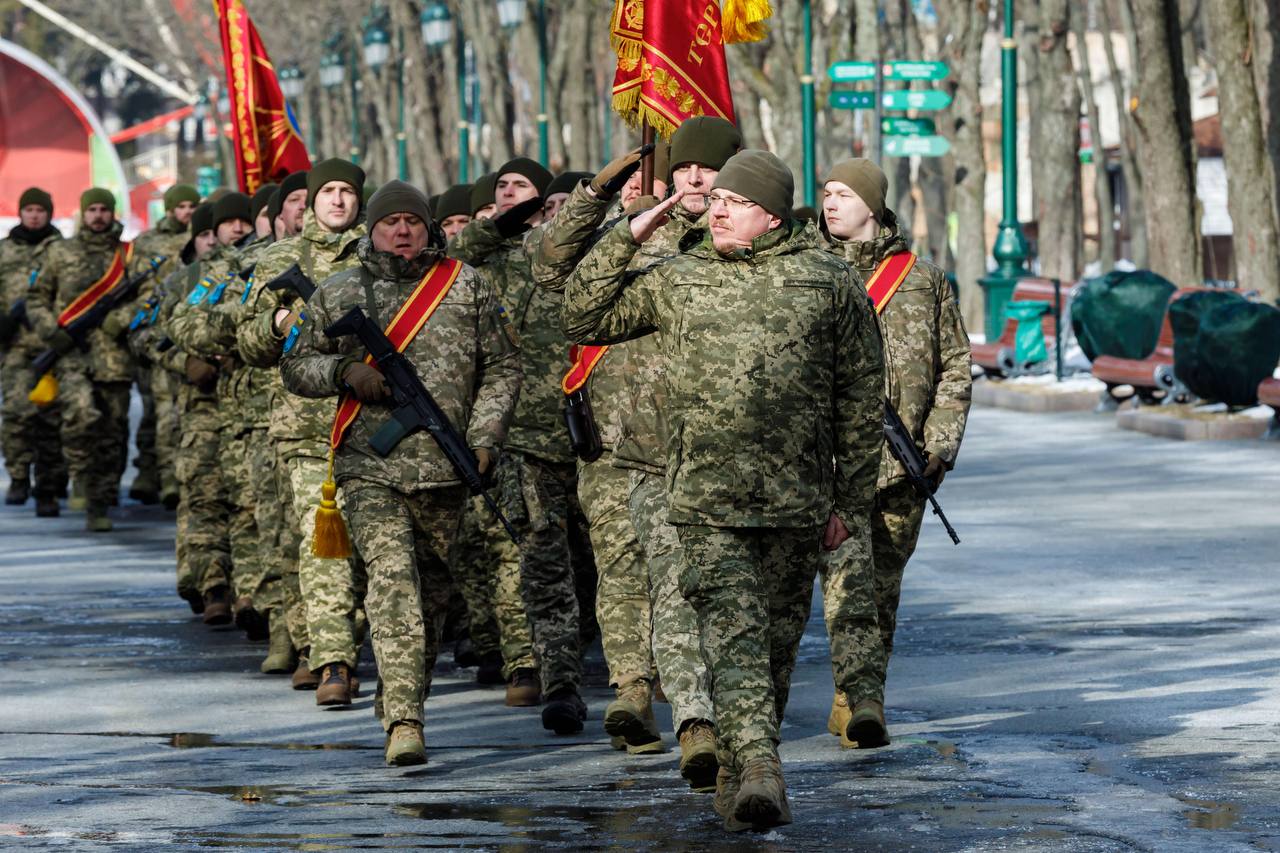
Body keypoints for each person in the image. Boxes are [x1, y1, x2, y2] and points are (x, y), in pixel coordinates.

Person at [563, 150, 884, 831]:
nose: (716, 210)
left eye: (732, 203)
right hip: (706, 503)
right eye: (716, 202)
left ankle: (742, 770)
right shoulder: (679, 279)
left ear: (769, 213)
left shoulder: (827, 280)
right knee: (733, 638)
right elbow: (580, 316)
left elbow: (861, 396)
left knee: (772, 648)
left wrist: (848, 503)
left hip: (796, 503)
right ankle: (764, 765)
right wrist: (632, 232)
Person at [532, 116, 743, 790]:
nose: (693, 177)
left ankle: (700, 706)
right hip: (613, 439)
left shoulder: (732, 245)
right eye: (684, 167)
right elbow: (552, 270)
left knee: (689, 582)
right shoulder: (636, 238)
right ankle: (632, 688)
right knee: (620, 567)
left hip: (697, 447)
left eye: (708, 168)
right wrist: (603, 199)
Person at [280, 180, 521, 766]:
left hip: (446, 471)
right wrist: (343, 372)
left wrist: (486, 436)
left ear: (429, 228)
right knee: (394, 587)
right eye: (392, 223)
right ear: (373, 229)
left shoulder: (466, 287)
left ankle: (399, 696)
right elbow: (295, 365)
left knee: (433, 600)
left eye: (414, 221)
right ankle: (407, 724)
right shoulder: (339, 292)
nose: (403, 231)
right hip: (370, 468)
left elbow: (503, 365)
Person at [819, 158, 971, 748]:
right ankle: (864, 699)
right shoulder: (808, 272)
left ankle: (853, 696)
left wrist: (940, 446)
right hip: (827, 465)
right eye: (826, 193)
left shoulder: (924, 282)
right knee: (843, 585)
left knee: (880, 588)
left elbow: (955, 367)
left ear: (874, 206)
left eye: (843, 194)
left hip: (901, 465)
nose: (831, 203)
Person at [450, 157, 597, 734]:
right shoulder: (494, 265)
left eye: (525, 188)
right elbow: (449, 258)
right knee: (542, 565)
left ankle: (629, 667)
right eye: (502, 187)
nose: (511, 193)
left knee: (603, 568)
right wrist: (499, 224)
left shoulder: (590, 262)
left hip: (596, 438)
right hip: (526, 441)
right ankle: (558, 682)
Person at [240, 159, 371, 693]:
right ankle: (332, 658)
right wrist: (276, 324)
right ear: (312, 200)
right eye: (328, 192)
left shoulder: (383, 254)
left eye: (347, 192)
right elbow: (247, 344)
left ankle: (342, 636)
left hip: (377, 420)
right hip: (308, 424)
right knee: (323, 543)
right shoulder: (280, 258)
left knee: (367, 548)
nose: (338, 201)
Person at [27, 188, 140, 531]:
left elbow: (150, 300)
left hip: (114, 357)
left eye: (104, 209)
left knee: (112, 433)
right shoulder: (59, 253)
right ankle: (80, 476)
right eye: (92, 209)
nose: (99, 216)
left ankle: (100, 502)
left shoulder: (129, 255)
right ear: (82, 213)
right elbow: (36, 298)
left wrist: (121, 319)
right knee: (80, 416)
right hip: (72, 355)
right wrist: (51, 332)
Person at [128, 183, 199, 508]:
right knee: (158, 409)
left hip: (188, 329)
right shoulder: (147, 242)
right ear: (169, 209)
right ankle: (159, 474)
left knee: (176, 409)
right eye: (181, 206)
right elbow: (135, 287)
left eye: (191, 206)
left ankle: (170, 474)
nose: (187, 212)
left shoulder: (199, 237)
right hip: (155, 333)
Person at [0, 187, 66, 516]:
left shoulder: (62, 251)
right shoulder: (4, 251)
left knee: (50, 421)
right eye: (30, 210)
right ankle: (17, 478)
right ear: (21, 213)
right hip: (13, 349)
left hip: (51, 348)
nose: (35, 215)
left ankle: (48, 488)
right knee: (15, 417)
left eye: (41, 210)